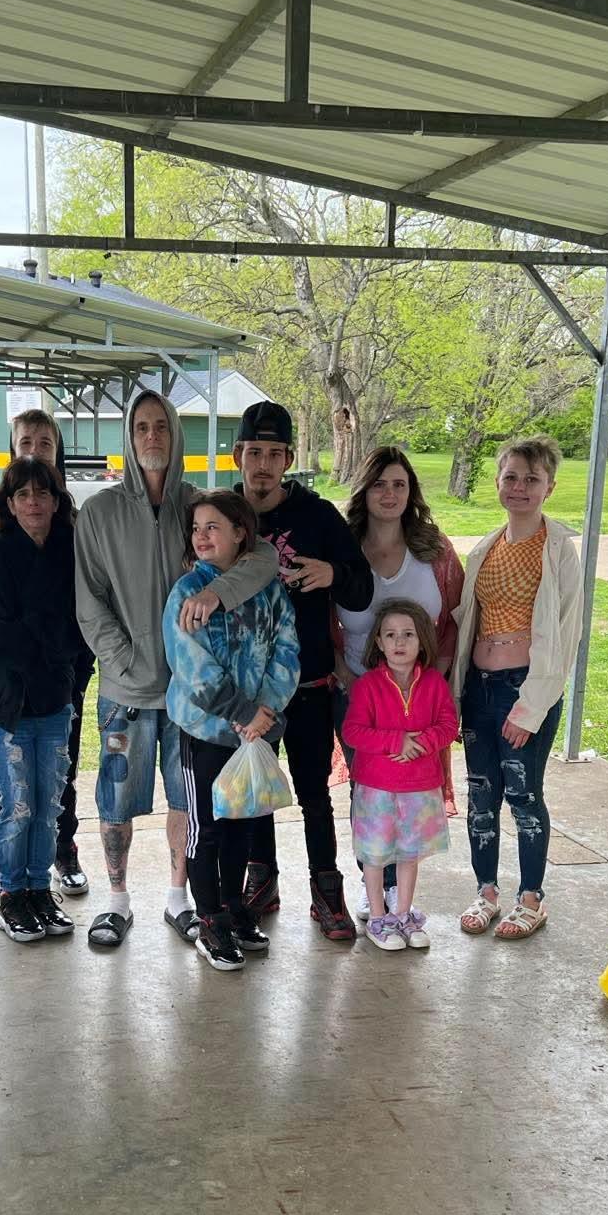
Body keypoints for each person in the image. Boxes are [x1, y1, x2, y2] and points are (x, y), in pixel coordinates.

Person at [75, 389, 278, 949]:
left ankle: (177, 899)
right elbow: (88, 599)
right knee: (115, 801)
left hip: (193, 700)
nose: (152, 437)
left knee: (189, 805)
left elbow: (261, 559)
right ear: (128, 436)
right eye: (141, 427)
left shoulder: (201, 506)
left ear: (176, 434)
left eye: (161, 426)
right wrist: (127, 658)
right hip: (126, 689)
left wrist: (218, 596)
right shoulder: (99, 512)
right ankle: (116, 903)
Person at [233, 400, 374, 941]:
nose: (263, 464)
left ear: (288, 457)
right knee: (258, 790)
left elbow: (361, 589)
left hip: (311, 683)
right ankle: (261, 879)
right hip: (249, 689)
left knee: (314, 791)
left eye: (274, 453)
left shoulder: (318, 516)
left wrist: (332, 571)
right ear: (238, 455)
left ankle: (326, 888)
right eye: (254, 452)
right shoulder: (225, 513)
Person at [452, 435, 583, 942]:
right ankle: (486, 891)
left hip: (525, 690)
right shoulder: (486, 546)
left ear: (549, 486)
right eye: (511, 477)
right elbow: (469, 620)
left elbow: (565, 634)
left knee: (524, 795)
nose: (520, 486)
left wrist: (530, 707)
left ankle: (531, 898)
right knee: (481, 795)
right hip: (478, 690)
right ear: (498, 482)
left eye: (532, 478)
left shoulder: (558, 552)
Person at [162, 494, 300, 970]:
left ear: (241, 533)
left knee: (243, 822)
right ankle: (209, 920)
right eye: (196, 527)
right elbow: (191, 667)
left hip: (255, 730)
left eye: (213, 526)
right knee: (207, 830)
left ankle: (236, 907)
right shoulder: (185, 593)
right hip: (205, 732)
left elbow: (287, 652)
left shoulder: (270, 592)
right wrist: (244, 712)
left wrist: (267, 711)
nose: (201, 535)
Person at [0, 407, 89, 900]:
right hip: (6, 693)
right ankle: (9, 876)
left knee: (53, 788)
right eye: (26, 443)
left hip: (60, 686)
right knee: (14, 795)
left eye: (45, 444)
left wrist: (69, 660)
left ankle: (55, 864)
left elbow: (82, 618)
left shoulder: (72, 535)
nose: (35, 452)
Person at [336, 444, 466, 917]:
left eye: (399, 484)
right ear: (364, 489)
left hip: (418, 693)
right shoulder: (343, 547)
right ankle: (375, 887)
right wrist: (345, 676)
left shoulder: (435, 551)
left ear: (410, 492)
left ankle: (398, 894)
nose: (389, 493)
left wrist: (439, 677)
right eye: (379, 483)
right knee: (367, 789)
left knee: (410, 791)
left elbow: (454, 618)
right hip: (355, 692)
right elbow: (323, 619)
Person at [341, 600, 458, 952]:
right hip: (376, 788)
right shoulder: (367, 686)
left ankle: (403, 914)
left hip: (420, 788)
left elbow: (449, 726)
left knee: (409, 854)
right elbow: (353, 732)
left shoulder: (435, 683)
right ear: (378, 642)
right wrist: (395, 740)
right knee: (375, 855)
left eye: (408, 634)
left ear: (422, 640)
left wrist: (420, 743)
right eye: (390, 635)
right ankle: (378, 917)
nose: (399, 642)